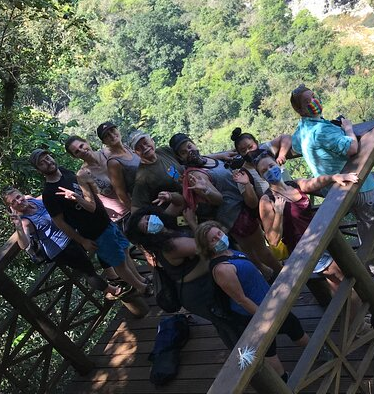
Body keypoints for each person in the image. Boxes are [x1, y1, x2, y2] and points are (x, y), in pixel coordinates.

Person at [289, 84, 374, 272]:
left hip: (334, 191)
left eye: (314, 97)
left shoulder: (301, 130)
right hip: (359, 186)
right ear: (299, 109)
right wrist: (348, 129)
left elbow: (294, 146)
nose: (314, 102)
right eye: (307, 101)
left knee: (367, 230)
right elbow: (352, 148)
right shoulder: (322, 131)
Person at [194, 220, 309, 381]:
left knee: (294, 327)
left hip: (270, 303)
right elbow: (241, 299)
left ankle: (319, 352)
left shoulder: (231, 251)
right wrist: (264, 317)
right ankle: (284, 382)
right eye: (213, 239)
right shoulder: (221, 269)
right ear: (207, 247)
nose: (219, 238)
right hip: (253, 315)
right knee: (268, 350)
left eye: (219, 233)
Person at [30, 148, 149, 296]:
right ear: (38, 170)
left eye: (47, 158)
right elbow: (60, 222)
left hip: (106, 221)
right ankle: (142, 288)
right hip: (94, 231)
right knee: (118, 262)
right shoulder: (49, 193)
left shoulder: (65, 171)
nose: (48, 163)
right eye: (42, 163)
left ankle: (141, 280)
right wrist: (82, 240)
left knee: (124, 251)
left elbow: (86, 191)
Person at [126, 207, 242, 349]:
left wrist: (170, 195)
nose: (150, 221)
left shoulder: (167, 231)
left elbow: (178, 203)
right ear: (146, 234)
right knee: (228, 325)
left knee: (226, 323)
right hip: (200, 294)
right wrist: (192, 222)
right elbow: (207, 246)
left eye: (147, 217)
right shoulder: (171, 245)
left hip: (204, 286)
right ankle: (245, 355)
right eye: (145, 224)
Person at [170, 133, 282, 276]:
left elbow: (211, 159)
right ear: (180, 158)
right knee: (260, 249)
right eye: (183, 152)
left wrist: (222, 155)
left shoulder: (206, 160)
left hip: (241, 208)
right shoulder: (196, 175)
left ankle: (268, 274)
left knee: (250, 249)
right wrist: (206, 190)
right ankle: (284, 275)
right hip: (234, 215)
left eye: (189, 146)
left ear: (194, 144)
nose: (189, 152)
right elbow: (218, 199)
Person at [253, 151, 361, 299]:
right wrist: (278, 212)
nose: (270, 171)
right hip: (305, 249)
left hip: (324, 238)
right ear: (261, 176)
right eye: (264, 171)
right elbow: (272, 240)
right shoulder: (266, 201)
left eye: (271, 166)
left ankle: (357, 317)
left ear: (277, 164)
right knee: (344, 283)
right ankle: (360, 319)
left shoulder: (294, 184)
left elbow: (314, 182)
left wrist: (334, 177)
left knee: (341, 282)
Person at [1, 186, 126, 299]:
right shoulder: (24, 222)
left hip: (72, 234)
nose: (19, 201)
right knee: (88, 271)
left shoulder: (30, 199)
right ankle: (113, 291)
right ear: (11, 207)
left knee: (98, 240)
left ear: (22, 194)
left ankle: (113, 276)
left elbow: (49, 197)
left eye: (18, 197)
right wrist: (17, 225)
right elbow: (24, 245)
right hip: (61, 249)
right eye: (14, 202)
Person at [64, 135, 150, 290]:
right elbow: (90, 202)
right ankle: (146, 281)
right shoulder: (82, 174)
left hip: (137, 203)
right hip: (118, 216)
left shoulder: (108, 153)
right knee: (140, 248)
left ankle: (153, 276)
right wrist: (77, 197)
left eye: (82, 146)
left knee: (151, 239)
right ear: (75, 156)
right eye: (77, 151)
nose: (82, 151)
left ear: (87, 142)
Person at [128, 131, 185, 214]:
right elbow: (135, 209)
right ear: (135, 152)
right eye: (139, 147)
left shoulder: (164, 151)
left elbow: (186, 159)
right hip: (179, 212)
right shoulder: (143, 177)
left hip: (192, 196)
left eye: (145, 142)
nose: (144, 147)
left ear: (152, 140)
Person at [230, 127, 293, 200]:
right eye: (243, 151)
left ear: (256, 143)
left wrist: (282, 155)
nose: (248, 152)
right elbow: (252, 204)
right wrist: (247, 184)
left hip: (292, 192)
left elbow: (286, 137)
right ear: (239, 153)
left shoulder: (266, 151)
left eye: (250, 147)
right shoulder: (244, 174)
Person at [96, 121, 140, 211]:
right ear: (104, 142)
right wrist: (138, 214)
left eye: (112, 130)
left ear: (117, 130)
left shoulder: (128, 148)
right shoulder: (114, 162)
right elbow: (121, 194)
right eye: (107, 136)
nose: (112, 135)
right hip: (142, 202)